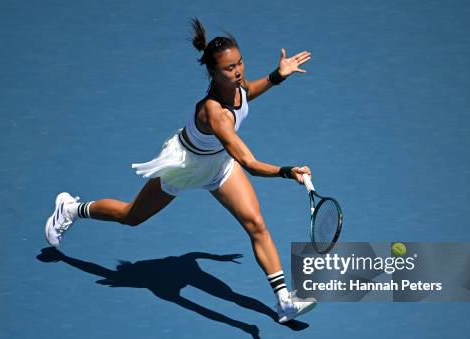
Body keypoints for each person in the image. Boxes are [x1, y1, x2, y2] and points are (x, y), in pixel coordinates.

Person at [44, 18, 316, 323]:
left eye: (239, 63)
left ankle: (283, 301)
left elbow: (247, 92)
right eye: (229, 68)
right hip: (185, 166)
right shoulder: (215, 114)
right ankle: (70, 208)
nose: (238, 71)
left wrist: (277, 76)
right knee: (131, 217)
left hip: (218, 166)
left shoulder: (236, 85)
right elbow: (250, 164)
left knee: (256, 224)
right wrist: (286, 171)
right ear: (213, 73)